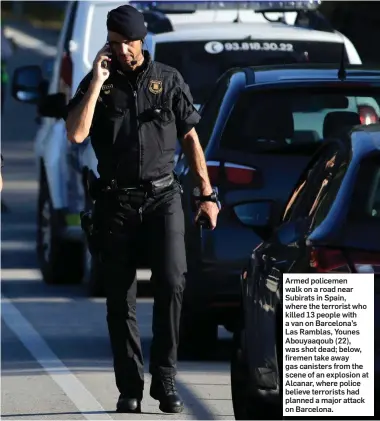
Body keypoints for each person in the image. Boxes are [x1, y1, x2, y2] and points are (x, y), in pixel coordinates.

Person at [64, 4, 219, 415]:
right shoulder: (99, 81)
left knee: (172, 282)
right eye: (114, 45)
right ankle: (129, 386)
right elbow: (76, 133)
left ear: (141, 40)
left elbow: (190, 137)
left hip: (163, 198)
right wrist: (97, 81)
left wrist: (206, 192)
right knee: (120, 300)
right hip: (115, 202)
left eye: (128, 44)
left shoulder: (167, 81)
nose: (122, 52)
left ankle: (165, 380)